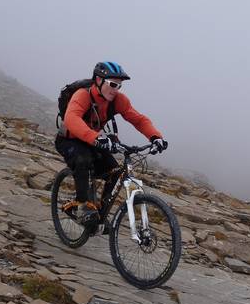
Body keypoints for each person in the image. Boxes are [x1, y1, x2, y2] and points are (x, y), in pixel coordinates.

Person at [55, 61, 168, 224]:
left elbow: (139, 120)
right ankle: (82, 206)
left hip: (93, 141)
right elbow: (71, 119)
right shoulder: (83, 95)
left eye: (119, 86)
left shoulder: (118, 100)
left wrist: (155, 137)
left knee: (116, 172)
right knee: (83, 161)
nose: (116, 90)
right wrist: (96, 138)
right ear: (99, 80)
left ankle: (100, 213)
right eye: (113, 84)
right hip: (69, 140)